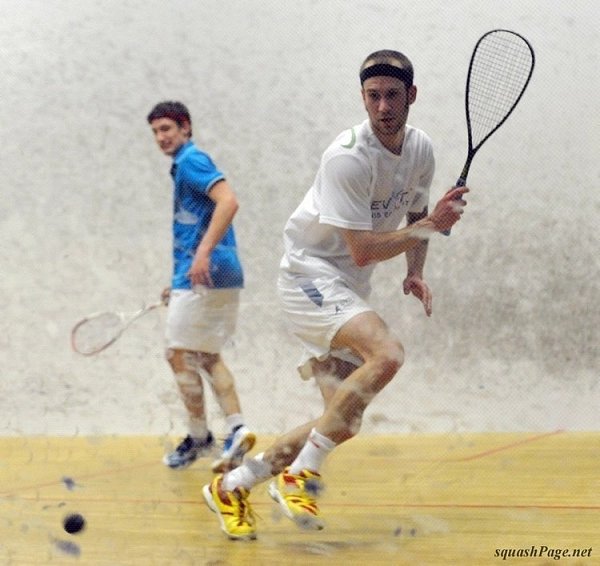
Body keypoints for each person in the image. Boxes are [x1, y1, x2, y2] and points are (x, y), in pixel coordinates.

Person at [202, 50, 468, 540]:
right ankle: (301, 474)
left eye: (393, 95)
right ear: (363, 98)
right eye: (373, 96)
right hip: (309, 276)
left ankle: (232, 486)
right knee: (386, 353)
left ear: (412, 96)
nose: (383, 106)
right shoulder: (347, 156)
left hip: (344, 285)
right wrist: (434, 226)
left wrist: (415, 271)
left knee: (342, 419)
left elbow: (415, 212)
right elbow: (364, 250)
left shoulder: (421, 149)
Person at [147, 101, 255, 473]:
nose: (161, 137)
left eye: (167, 129)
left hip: (204, 274)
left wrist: (201, 257)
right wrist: (178, 278)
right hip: (219, 274)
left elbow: (229, 200)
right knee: (206, 356)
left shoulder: (193, 160)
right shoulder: (184, 166)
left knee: (178, 354)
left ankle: (198, 436)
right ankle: (238, 428)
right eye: (156, 132)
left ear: (185, 128)